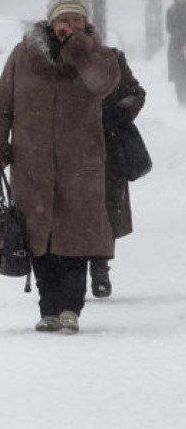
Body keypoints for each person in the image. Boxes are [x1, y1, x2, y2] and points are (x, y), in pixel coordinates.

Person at [0, 0, 120, 334]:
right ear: (51, 21)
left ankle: (71, 308)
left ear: (85, 23)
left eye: (76, 19)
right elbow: (2, 103)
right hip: (32, 162)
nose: (68, 25)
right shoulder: (24, 54)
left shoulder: (99, 56)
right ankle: (48, 309)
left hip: (80, 164)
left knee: (75, 237)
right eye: (63, 19)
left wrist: (80, 53)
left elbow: (104, 85)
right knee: (39, 239)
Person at [90, 50, 146, 298]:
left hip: (108, 148)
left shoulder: (110, 57)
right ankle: (74, 270)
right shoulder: (56, 60)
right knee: (72, 209)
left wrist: (116, 115)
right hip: (70, 147)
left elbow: (136, 94)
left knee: (106, 207)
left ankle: (100, 268)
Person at [166, 0, 186, 105]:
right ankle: (181, 101)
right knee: (179, 76)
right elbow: (169, 28)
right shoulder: (171, 11)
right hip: (176, 47)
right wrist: (180, 38)